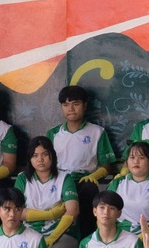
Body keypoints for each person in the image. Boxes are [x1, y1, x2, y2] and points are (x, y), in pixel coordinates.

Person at [47, 85, 118, 233]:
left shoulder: (97, 132)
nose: (70, 109)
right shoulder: (53, 134)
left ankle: (85, 239)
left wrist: (93, 176)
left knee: (88, 190)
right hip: (59, 181)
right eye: (65, 105)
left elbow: (107, 166)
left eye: (75, 104)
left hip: (83, 181)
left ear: (85, 106)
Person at [17, 136, 79, 248]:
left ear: (52, 155)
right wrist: (50, 214)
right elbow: (16, 212)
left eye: (45, 154)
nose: (40, 159)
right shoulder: (23, 179)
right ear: (29, 159)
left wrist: (52, 237)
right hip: (30, 233)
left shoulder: (64, 178)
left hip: (62, 235)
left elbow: (72, 211)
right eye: (35, 155)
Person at [77, 191, 149, 248]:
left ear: (119, 213)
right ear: (94, 211)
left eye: (111, 208)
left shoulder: (133, 241)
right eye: (102, 207)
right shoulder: (85, 244)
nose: (106, 212)